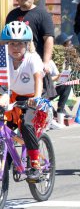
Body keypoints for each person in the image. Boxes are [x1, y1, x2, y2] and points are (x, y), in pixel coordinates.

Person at [0, 21, 45, 180]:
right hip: (12, 96)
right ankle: (8, 157)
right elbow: (1, 81)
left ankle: (34, 164)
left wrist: (37, 97)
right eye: (12, 43)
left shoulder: (33, 58)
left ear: (27, 44)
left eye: (20, 44)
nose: (16, 48)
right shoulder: (3, 59)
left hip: (32, 97)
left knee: (26, 124)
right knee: (4, 127)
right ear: (5, 44)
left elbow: (38, 79)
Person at [6, 0, 54, 75]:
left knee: (40, 89)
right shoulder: (11, 15)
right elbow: (6, 40)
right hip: (15, 66)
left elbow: (49, 38)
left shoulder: (42, 14)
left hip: (36, 65)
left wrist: (46, 62)